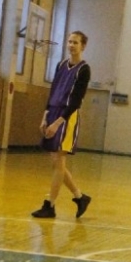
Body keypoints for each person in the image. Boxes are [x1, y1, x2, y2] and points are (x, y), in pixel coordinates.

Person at [31, 31, 92, 219]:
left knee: (59, 160)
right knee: (57, 162)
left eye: (75, 42)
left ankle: (50, 204)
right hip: (53, 112)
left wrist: (58, 123)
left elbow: (76, 102)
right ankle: (80, 197)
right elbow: (53, 91)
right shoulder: (60, 65)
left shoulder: (84, 69)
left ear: (83, 46)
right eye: (69, 41)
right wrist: (45, 116)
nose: (71, 45)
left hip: (67, 116)